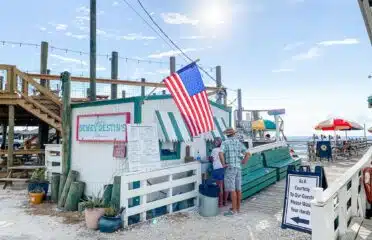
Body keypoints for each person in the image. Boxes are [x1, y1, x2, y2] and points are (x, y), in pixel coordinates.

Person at [219, 128, 251, 215]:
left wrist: (223, 164)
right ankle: (237, 209)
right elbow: (248, 153)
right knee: (238, 189)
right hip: (238, 168)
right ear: (234, 134)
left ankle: (233, 211)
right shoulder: (238, 143)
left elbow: (220, 153)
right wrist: (244, 161)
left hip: (230, 168)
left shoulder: (225, 142)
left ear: (227, 135)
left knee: (232, 189)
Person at [209, 137, 226, 207]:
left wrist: (209, 158)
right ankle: (222, 203)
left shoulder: (214, 150)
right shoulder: (222, 149)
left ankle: (219, 203)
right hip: (222, 168)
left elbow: (212, 160)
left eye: (215, 142)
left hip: (216, 169)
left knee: (218, 187)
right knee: (222, 186)